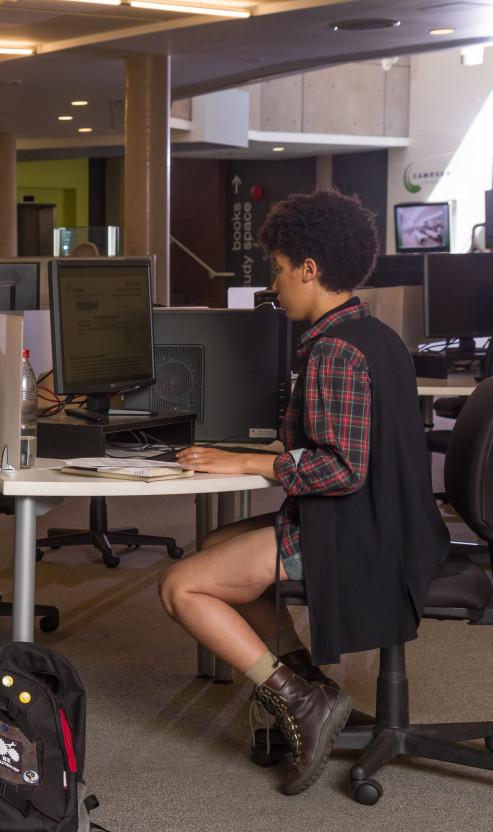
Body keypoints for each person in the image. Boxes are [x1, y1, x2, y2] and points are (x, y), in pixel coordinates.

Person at [156, 189, 449, 795]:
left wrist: (253, 462)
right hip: (391, 523)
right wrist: (255, 457)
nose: (277, 285)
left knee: (182, 585)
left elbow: (342, 470)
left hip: (355, 533)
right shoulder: (374, 333)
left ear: (309, 269)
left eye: (280, 271)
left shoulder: (333, 350)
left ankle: (299, 700)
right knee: (215, 545)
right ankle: (312, 686)